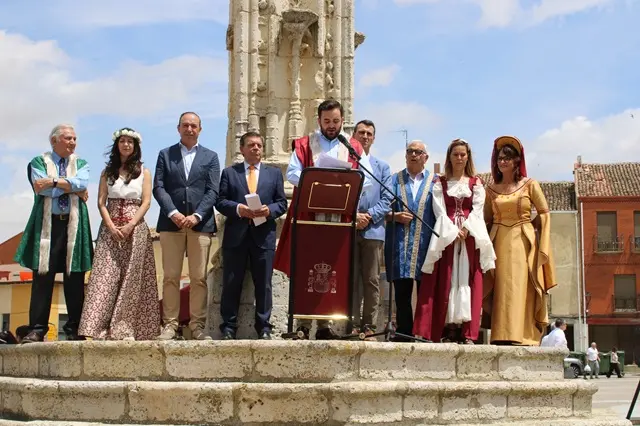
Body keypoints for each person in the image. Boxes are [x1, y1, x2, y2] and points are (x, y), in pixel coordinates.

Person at [273, 99, 372, 340]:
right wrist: (318, 177)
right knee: (307, 268)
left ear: (342, 120)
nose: (331, 125)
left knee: (333, 269)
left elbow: (367, 178)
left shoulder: (352, 146)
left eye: (336, 121)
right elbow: (293, 173)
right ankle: (303, 325)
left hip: (339, 219)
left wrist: (346, 181)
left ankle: (326, 325)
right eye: (327, 121)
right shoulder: (305, 144)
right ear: (318, 120)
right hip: (310, 217)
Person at [14, 124, 93, 343]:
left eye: (74, 138)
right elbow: (42, 188)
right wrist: (72, 187)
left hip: (74, 225)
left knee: (75, 277)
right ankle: (37, 329)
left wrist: (55, 181)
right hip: (47, 225)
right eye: (68, 138)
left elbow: (83, 182)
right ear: (54, 141)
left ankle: (75, 328)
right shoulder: (38, 162)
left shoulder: (81, 163)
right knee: (42, 277)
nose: (73, 142)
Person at [78, 128, 160, 341]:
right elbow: (101, 202)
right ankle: (97, 327)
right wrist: (110, 226)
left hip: (135, 228)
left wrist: (131, 224)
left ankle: (125, 328)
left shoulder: (144, 172)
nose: (126, 145)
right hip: (110, 228)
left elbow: (146, 202)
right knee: (105, 276)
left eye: (130, 142)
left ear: (135, 146)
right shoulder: (107, 172)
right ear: (117, 145)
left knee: (132, 278)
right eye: (122, 141)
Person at [413, 139, 495, 344]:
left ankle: (467, 332)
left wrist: (466, 228)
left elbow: (477, 209)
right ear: (449, 157)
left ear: (468, 157)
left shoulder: (475, 183)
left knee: (467, 279)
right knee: (447, 280)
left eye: (462, 154)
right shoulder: (440, 183)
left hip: (469, 236)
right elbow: (439, 211)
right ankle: (448, 329)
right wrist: (452, 231)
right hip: (447, 235)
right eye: (455, 154)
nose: (459, 158)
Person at [482, 135, 556, 346]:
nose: (502, 161)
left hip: (523, 241)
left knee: (521, 285)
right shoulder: (490, 190)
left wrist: (533, 227)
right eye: (499, 158)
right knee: (500, 285)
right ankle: (500, 334)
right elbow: (486, 219)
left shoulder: (530, 185)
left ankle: (523, 335)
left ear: (517, 161)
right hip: (498, 241)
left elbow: (544, 212)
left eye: (507, 158)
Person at [153, 112, 220, 341]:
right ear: (178, 128)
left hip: (200, 225)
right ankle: (170, 325)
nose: (189, 129)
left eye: (193, 125)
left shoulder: (211, 157)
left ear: (200, 129)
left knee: (198, 278)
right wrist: (173, 212)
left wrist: (197, 216)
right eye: (185, 125)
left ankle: (197, 326)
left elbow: (213, 190)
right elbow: (159, 187)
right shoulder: (165, 155)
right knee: (170, 277)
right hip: (171, 224)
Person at [215, 131, 288, 340]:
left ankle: (264, 327)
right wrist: (240, 209)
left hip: (263, 237)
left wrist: (268, 210)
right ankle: (229, 327)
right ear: (242, 149)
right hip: (236, 237)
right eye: (251, 145)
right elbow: (220, 201)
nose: (255, 148)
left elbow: (282, 203)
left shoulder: (274, 174)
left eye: (259, 145)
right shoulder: (230, 173)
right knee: (231, 283)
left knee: (264, 284)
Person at [384, 140, 436, 342]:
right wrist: (394, 216)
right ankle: (405, 333)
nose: (413, 155)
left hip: (426, 244)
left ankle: (425, 333)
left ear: (426, 157)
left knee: (426, 292)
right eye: (410, 151)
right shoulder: (393, 180)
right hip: (400, 244)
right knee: (402, 293)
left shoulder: (435, 182)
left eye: (418, 152)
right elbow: (381, 209)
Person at [349, 120, 392, 338]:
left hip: (373, 230)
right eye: (361, 132)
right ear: (353, 135)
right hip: (349, 228)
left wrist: (369, 216)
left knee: (372, 280)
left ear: (373, 138)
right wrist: (353, 216)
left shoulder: (382, 167)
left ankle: (370, 326)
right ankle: (352, 324)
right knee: (351, 279)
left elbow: (387, 198)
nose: (365, 136)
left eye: (369, 133)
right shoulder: (346, 164)